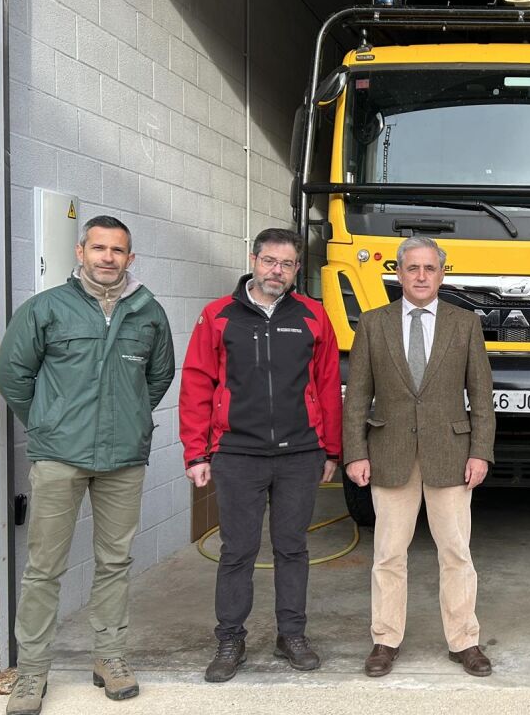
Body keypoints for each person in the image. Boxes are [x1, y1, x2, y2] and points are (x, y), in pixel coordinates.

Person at [0, 215, 175, 715]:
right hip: (59, 457)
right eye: (99, 248)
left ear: (130, 258)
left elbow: (158, 377)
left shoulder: (148, 312)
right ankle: (32, 672)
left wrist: (128, 418)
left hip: (123, 459)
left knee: (115, 563)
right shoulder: (47, 308)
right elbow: (10, 374)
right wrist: (48, 421)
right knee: (44, 568)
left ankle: (109, 657)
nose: (107, 258)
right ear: (81, 252)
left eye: (117, 250)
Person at [178, 228, 342, 683]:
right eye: (270, 261)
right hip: (237, 453)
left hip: (300, 454)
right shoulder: (217, 315)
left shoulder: (313, 316)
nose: (277, 271)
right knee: (237, 550)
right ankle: (230, 639)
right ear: (253, 260)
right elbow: (196, 384)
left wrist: (332, 449)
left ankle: (292, 635)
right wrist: (196, 453)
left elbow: (328, 384)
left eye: (287, 264)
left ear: (296, 270)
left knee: (292, 548)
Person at [342, 236, 496, 678]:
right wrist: (355, 452)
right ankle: (385, 640)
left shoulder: (465, 324)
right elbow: (358, 397)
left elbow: (481, 396)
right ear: (399, 273)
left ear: (442, 274)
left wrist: (480, 452)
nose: (422, 276)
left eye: (430, 268)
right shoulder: (373, 323)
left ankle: (464, 640)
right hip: (389, 454)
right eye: (413, 268)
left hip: (451, 454)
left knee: (456, 553)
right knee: (388, 554)